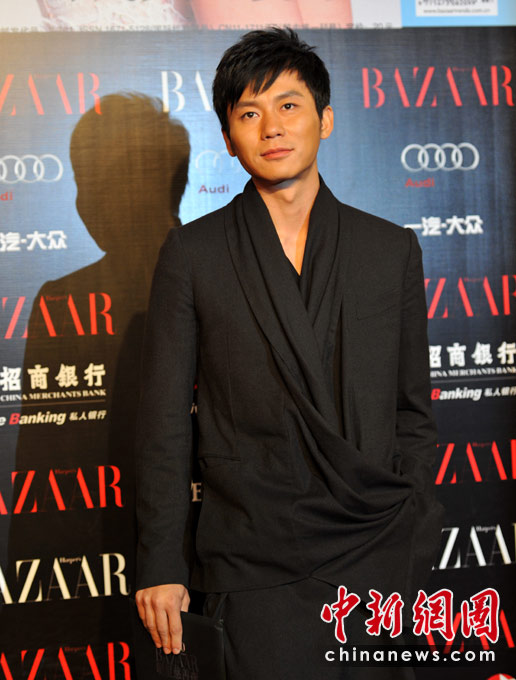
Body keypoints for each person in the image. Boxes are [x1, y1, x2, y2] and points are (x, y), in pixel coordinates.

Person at [134, 28, 443, 679]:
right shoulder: (194, 255)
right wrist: (161, 563)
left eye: (288, 105)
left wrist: (412, 525)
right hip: (254, 557)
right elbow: (163, 424)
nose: (271, 127)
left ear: (325, 120)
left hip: (377, 552)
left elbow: (412, 411)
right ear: (228, 138)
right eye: (249, 113)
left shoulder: (390, 249)